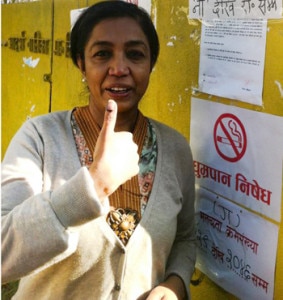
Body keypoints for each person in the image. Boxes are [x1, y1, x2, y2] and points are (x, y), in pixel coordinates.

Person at [1, 1, 196, 299]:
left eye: (135, 54)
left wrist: (175, 284)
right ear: (81, 62)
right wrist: (92, 185)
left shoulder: (175, 149)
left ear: (151, 63)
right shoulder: (39, 138)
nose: (119, 69)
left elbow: (184, 237)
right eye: (102, 54)